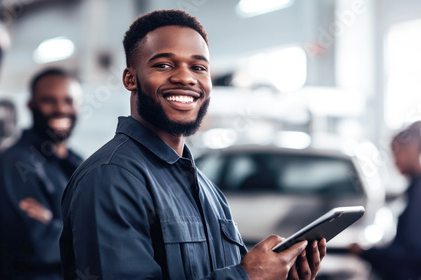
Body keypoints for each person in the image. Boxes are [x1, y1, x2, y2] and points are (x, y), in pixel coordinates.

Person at [60, 9, 326, 280]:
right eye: (164, 65)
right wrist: (248, 276)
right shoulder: (110, 178)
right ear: (130, 79)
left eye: (198, 67)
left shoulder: (207, 190)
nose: (186, 78)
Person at [0, 68, 83, 279]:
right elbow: (37, 246)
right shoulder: (17, 163)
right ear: (31, 105)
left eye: (68, 101)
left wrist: (56, 226)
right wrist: (90, 232)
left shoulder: (78, 163)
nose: (60, 109)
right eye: (49, 101)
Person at [349, 121, 421, 280]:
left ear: (411, 151)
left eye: (396, 153)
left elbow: (409, 256)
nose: (394, 161)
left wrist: (365, 252)